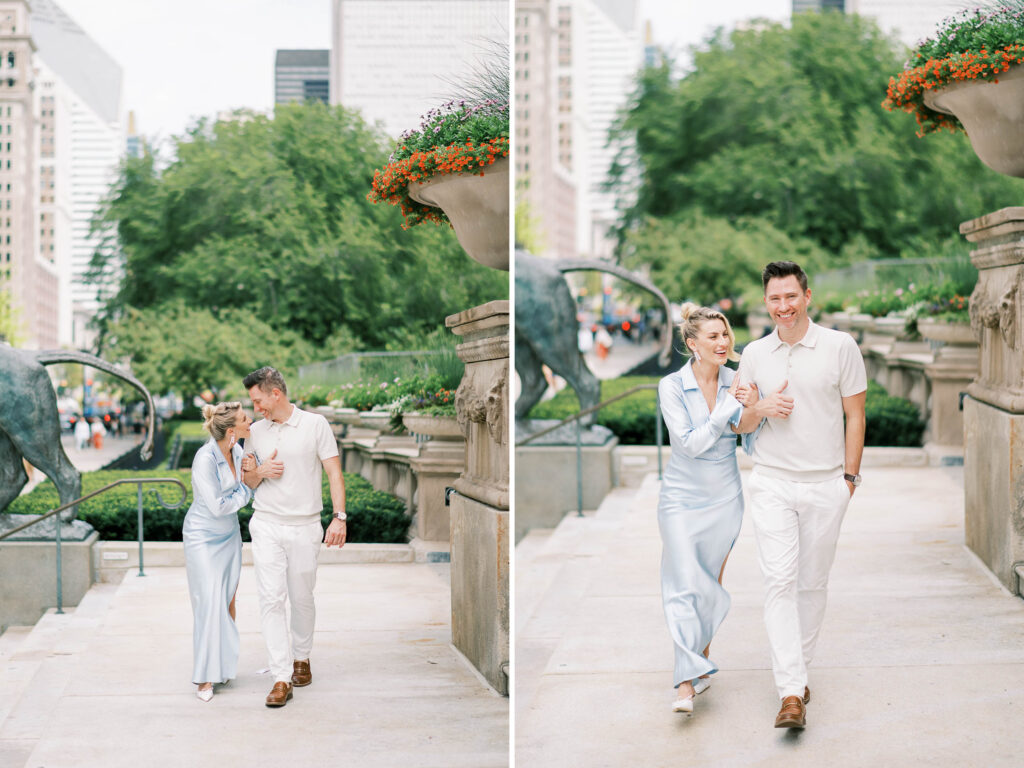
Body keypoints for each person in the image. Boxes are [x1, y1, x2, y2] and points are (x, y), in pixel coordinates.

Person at [735, 261, 866, 729]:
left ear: (807, 296)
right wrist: (762, 408)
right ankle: (790, 691)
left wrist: (848, 481)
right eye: (775, 298)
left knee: (812, 584)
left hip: (826, 483)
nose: (783, 306)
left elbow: (856, 415)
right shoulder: (753, 354)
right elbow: (741, 425)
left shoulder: (839, 346)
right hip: (771, 480)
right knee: (778, 582)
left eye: (791, 296)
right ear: (766, 301)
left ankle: (799, 670)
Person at [657, 302, 755, 715]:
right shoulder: (672, 386)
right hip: (681, 496)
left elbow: (747, 436)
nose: (723, 341)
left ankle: (699, 666)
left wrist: (753, 410)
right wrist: (729, 408)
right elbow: (689, 444)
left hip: (725, 496)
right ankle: (684, 686)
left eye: (725, 334)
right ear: (692, 343)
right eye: (713, 336)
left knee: (709, 586)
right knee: (683, 584)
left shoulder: (740, 379)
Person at [241, 366, 347, 709]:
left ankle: (302, 657)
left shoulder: (315, 424)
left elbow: (333, 471)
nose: (256, 407)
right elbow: (248, 481)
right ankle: (281, 676)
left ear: (276, 394)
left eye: (258, 400)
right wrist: (260, 472)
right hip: (266, 523)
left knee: (302, 596)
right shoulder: (255, 432)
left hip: (305, 525)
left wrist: (339, 517)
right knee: (271, 598)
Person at [183, 402, 253, 702]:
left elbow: (251, 478)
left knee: (227, 601)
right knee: (208, 602)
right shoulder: (204, 458)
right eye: (244, 418)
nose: (250, 420)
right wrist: (248, 489)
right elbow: (217, 505)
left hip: (229, 535)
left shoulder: (238, 452)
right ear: (230, 429)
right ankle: (204, 677)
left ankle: (223, 667)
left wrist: (254, 477)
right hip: (202, 536)